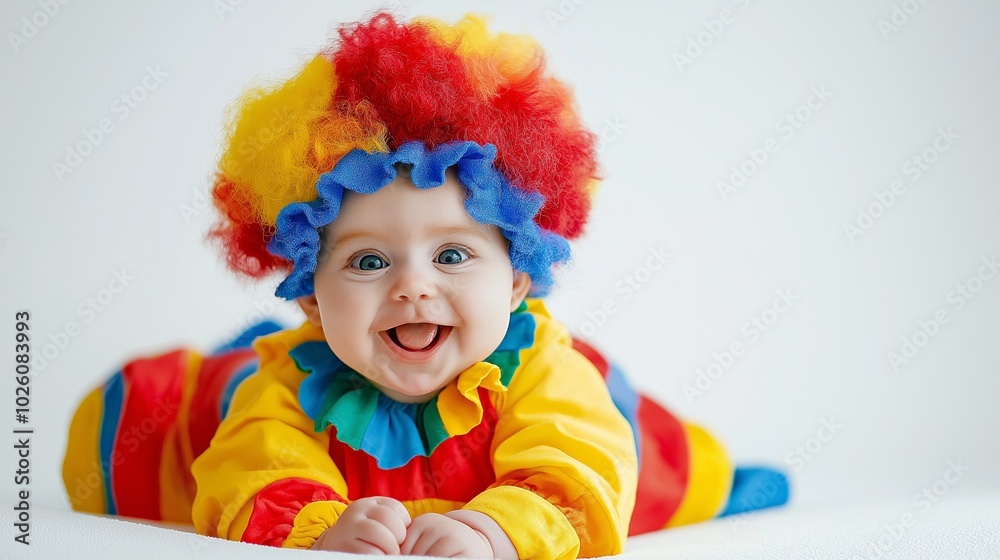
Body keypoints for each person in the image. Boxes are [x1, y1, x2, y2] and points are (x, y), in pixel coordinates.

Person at [61, 11, 789, 558]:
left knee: (653, 466)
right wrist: (320, 531)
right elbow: (250, 472)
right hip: (267, 390)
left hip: (591, 428)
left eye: (453, 255)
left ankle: (729, 478)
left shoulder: (542, 372)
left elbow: (581, 470)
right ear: (310, 295)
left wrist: (497, 531)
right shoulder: (288, 386)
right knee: (154, 436)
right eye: (368, 262)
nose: (412, 286)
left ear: (518, 280)